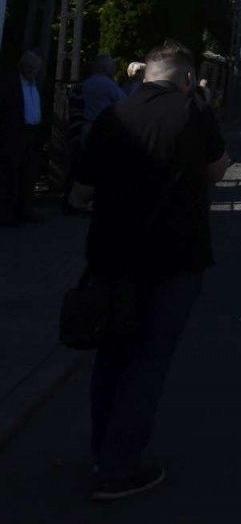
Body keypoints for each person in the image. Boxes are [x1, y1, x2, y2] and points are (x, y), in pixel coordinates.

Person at [75, 41, 231, 500]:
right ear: (186, 77)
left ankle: (103, 451)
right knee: (148, 360)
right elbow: (217, 169)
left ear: (145, 75)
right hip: (173, 258)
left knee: (110, 357)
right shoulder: (193, 112)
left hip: (109, 258)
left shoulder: (112, 116)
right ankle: (120, 470)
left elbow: (81, 191)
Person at [66, 55, 126, 215]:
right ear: (105, 68)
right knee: (98, 165)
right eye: (113, 65)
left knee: (81, 164)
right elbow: (125, 103)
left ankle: (74, 199)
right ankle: (85, 201)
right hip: (98, 128)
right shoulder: (107, 85)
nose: (115, 68)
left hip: (84, 127)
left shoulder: (86, 83)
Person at [0, 50, 47, 226]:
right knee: (9, 173)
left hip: (31, 132)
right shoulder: (10, 83)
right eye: (32, 67)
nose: (35, 71)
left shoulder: (34, 83)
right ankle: (5, 211)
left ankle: (23, 208)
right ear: (24, 67)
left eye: (36, 68)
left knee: (27, 173)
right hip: (13, 133)